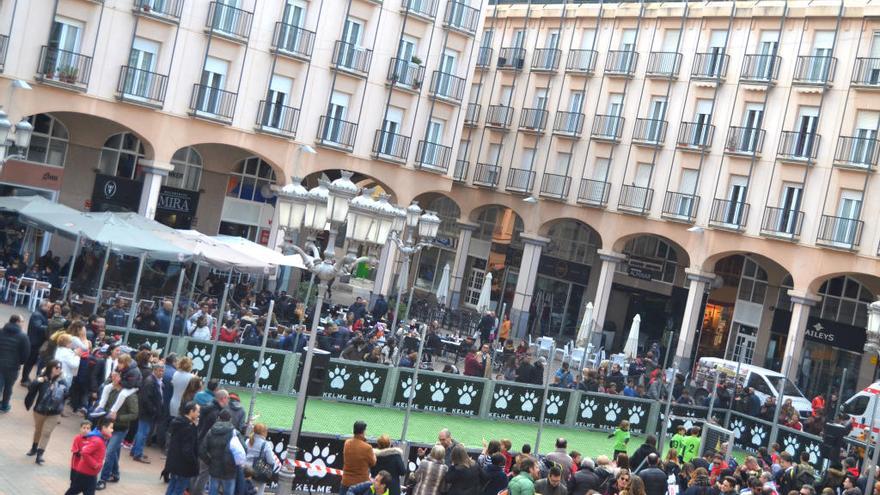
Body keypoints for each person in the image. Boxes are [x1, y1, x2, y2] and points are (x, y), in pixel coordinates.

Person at [96, 370, 139, 490]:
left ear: (121, 379)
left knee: (109, 453)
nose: (112, 377)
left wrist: (118, 417)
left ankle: (103, 479)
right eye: (112, 375)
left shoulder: (130, 395)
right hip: (108, 426)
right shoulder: (110, 389)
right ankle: (115, 474)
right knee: (113, 452)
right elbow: (105, 405)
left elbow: (134, 414)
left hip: (120, 428)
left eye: (115, 376)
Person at [24, 358, 69, 464]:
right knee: (38, 430)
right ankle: (34, 448)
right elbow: (31, 389)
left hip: (54, 412)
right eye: (56, 367)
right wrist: (37, 381)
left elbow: (67, 395)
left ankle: (40, 455)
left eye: (60, 368)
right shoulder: (42, 378)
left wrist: (60, 388)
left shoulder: (62, 380)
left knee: (47, 432)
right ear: (50, 368)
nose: (58, 370)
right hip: (40, 410)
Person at [200, 409, 247, 495]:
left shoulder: (211, 432)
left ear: (218, 418)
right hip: (230, 470)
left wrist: (209, 461)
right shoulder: (235, 433)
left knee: (212, 491)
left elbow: (202, 450)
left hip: (214, 469)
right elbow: (244, 449)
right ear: (230, 419)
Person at [65, 418, 114, 495]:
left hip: (90, 474)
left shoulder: (100, 439)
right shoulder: (98, 441)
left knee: (74, 491)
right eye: (110, 427)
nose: (112, 430)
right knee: (73, 491)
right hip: (85, 474)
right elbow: (84, 452)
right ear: (104, 428)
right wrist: (95, 464)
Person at [163, 401, 200, 495]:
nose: (198, 414)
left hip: (174, 462)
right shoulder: (189, 428)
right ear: (191, 411)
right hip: (183, 466)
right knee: (178, 490)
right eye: (197, 412)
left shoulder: (178, 423)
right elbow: (188, 449)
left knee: (172, 486)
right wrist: (194, 462)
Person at [131, 361, 164, 464]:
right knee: (143, 433)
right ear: (154, 370)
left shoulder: (154, 380)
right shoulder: (150, 381)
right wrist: (153, 409)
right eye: (159, 370)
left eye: (162, 371)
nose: (161, 373)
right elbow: (146, 398)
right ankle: (138, 454)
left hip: (147, 411)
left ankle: (135, 451)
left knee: (141, 432)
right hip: (147, 412)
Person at [0, 314, 29, 412]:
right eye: (22, 321)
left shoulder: (1, 331)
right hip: (13, 366)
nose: (23, 323)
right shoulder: (23, 336)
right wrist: (20, 362)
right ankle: (4, 406)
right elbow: (26, 354)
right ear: (17, 322)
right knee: (8, 387)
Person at [341, 420, 377, 493]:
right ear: (363, 431)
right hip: (360, 485)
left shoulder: (347, 443)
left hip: (346, 482)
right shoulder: (367, 447)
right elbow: (373, 462)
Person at [245, 423, 277, 495]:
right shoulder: (265, 444)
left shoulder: (247, 441)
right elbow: (271, 461)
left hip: (245, 471)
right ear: (264, 432)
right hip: (258, 472)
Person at [22, 302, 49, 385]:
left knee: (31, 361)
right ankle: (24, 379)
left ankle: (25, 378)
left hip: (36, 341)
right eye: (47, 307)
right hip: (34, 342)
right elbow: (38, 327)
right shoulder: (37, 315)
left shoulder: (41, 314)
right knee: (30, 361)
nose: (48, 309)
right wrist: (49, 326)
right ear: (43, 306)